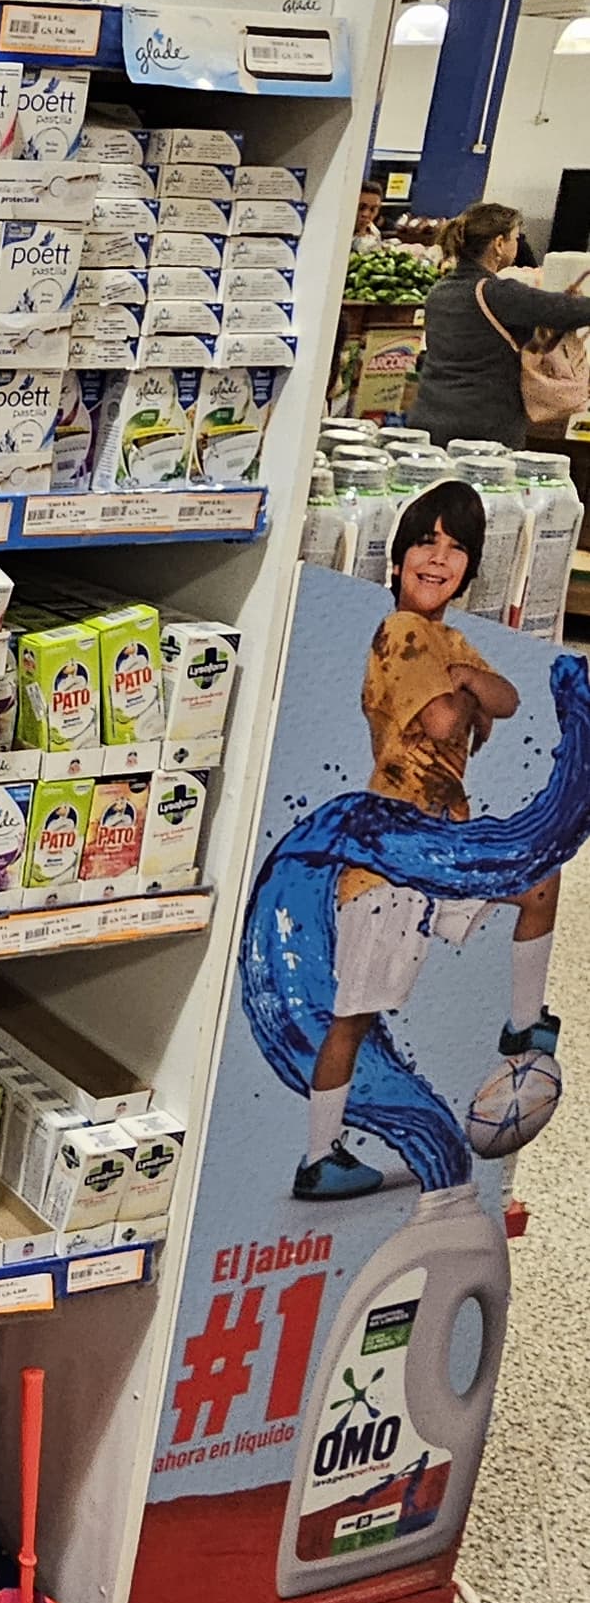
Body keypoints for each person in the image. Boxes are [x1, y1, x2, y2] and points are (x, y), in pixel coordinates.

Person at [295, 477, 562, 1201]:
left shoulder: (448, 639)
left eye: (455, 547)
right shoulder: (403, 632)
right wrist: (466, 690)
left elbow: (505, 698)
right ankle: (318, 1157)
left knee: (538, 881)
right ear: (397, 557)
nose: (438, 558)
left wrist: (468, 678)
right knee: (353, 1017)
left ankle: (523, 1025)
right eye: (424, 541)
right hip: (395, 853)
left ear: (472, 568)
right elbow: (445, 720)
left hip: (441, 841)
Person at [409, 201, 588, 443]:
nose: (518, 244)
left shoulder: (439, 291)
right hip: (485, 426)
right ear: (499, 244)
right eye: (515, 238)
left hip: (429, 418)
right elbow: (565, 311)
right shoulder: (498, 293)